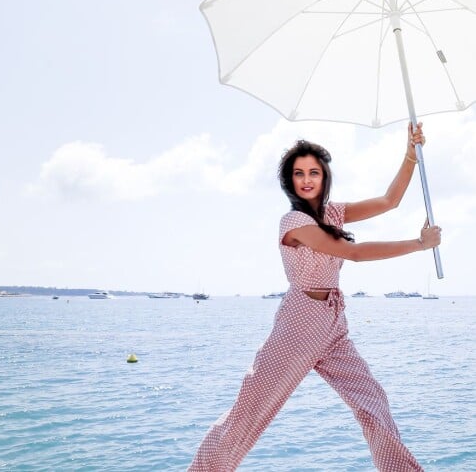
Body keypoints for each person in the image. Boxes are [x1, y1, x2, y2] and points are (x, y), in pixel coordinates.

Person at [188, 123, 441, 472]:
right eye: (298, 173)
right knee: (250, 411)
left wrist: (410, 156)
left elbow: (389, 201)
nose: (306, 180)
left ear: (324, 177)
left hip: (333, 321)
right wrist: (418, 245)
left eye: (314, 172)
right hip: (299, 322)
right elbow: (352, 253)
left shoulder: (333, 213)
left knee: (373, 401)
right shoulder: (292, 222)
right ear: (289, 181)